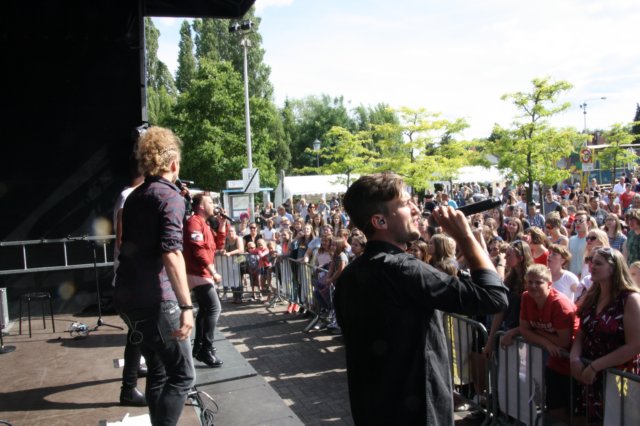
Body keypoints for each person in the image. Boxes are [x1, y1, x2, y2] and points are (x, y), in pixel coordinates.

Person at [333, 172, 508, 425]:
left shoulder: (349, 276)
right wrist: (465, 236)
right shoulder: (405, 270)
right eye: (406, 204)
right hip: (418, 413)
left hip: (373, 409)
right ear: (380, 220)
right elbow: (494, 297)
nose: (417, 209)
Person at [114, 126, 195, 426]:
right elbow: (172, 253)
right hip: (156, 299)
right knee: (183, 375)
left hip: (128, 297)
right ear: (173, 163)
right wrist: (186, 306)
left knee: (158, 371)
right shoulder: (170, 197)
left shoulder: (135, 197)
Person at [569, 248, 640, 423]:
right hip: (590, 376)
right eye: (591, 262)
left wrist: (596, 366)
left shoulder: (630, 299)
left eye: (598, 263)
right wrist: (574, 358)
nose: (592, 266)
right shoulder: (592, 295)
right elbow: (582, 331)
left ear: (614, 268)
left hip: (619, 378)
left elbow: (635, 345)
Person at [112, 154, 147, 407]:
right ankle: (128, 389)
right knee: (138, 330)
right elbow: (123, 241)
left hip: (130, 276)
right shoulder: (129, 197)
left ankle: (133, 378)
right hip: (130, 278)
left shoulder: (128, 196)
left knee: (138, 331)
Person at [183, 192, 223, 368]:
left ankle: (199, 348)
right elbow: (198, 250)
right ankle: (206, 348)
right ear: (200, 206)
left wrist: (222, 225)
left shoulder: (205, 224)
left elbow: (218, 245)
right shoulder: (194, 222)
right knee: (214, 308)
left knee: (205, 310)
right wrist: (213, 271)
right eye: (210, 202)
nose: (214, 205)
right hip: (198, 272)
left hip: (202, 273)